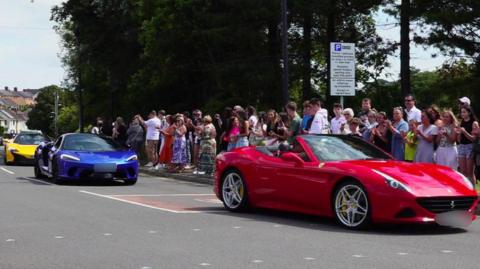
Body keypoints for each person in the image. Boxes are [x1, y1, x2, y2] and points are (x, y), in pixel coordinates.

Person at [456, 106, 478, 183]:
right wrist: (458, 134)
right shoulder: (461, 122)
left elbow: (473, 139)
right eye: (461, 112)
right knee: (463, 172)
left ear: (469, 112)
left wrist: (464, 132)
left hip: (470, 147)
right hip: (461, 146)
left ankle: (473, 192)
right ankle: (466, 192)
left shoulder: (474, 123)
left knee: (470, 173)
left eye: (464, 112)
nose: (462, 114)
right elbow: (459, 140)